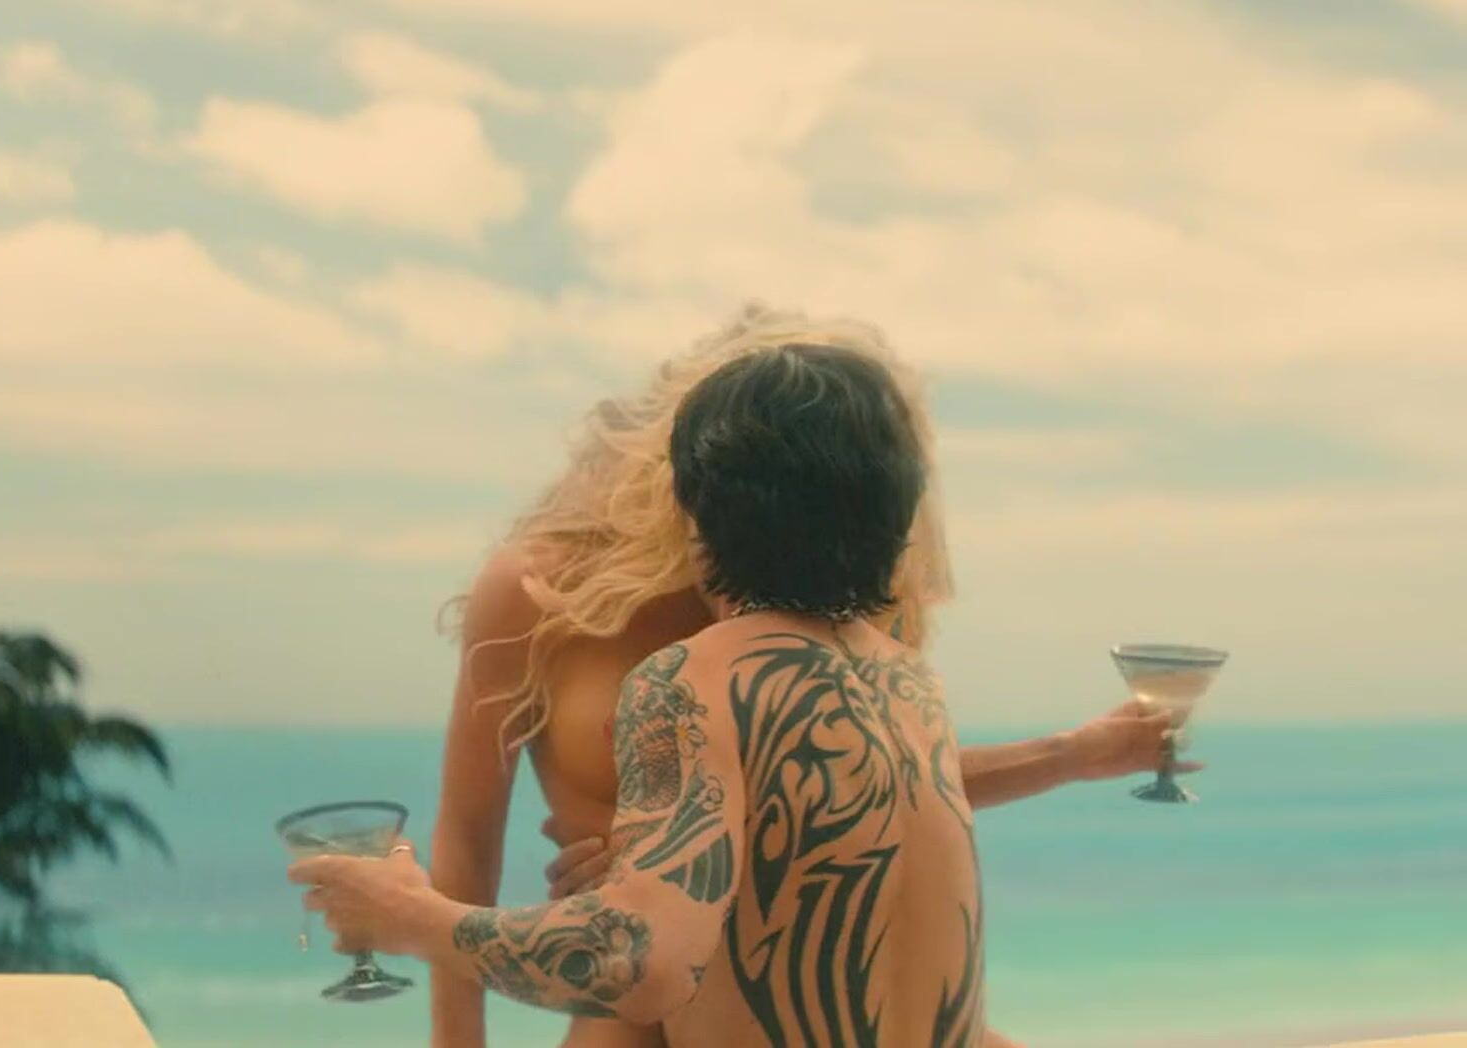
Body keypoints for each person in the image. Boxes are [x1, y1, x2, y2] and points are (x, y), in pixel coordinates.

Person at [423, 307, 1189, 1046]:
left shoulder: (828, 597)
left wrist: (1071, 755)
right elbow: (467, 840)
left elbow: (866, 777)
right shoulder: (543, 593)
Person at [293, 340, 1014, 1045]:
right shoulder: (907, 684)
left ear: (695, 511)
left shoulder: (690, 680)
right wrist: (651, 858)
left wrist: (409, 916)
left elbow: (644, 966)